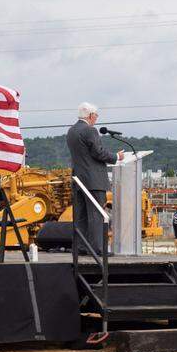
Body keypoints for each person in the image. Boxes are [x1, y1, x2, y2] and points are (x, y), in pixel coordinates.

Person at [67, 103, 123, 255]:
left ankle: (81, 247)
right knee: (97, 215)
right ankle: (98, 249)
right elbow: (98, 153)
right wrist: (116, 156)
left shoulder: (71, 131)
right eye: (96, 116)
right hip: (94, 181)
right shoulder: (90, 130)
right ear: (91, 115)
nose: (96, 119)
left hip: (78, 180)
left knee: (81, 216)